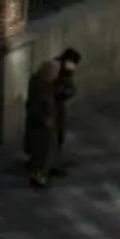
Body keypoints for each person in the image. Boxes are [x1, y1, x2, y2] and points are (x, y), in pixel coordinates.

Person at [23, 47, 80, 187]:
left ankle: (48, 166)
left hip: (53, 112)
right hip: (43, 117)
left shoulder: (60, 73)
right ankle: (39, 172)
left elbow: (68, 88)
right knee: (42, 146)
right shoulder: (43, 79)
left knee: (55, 139)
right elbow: (38, 102)